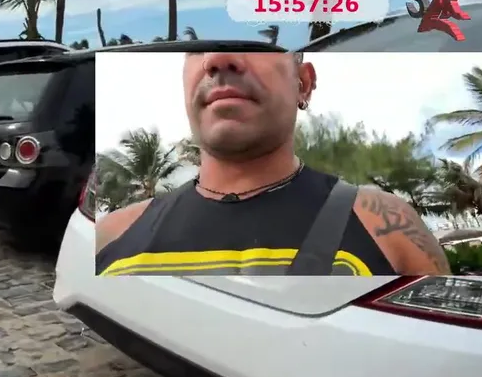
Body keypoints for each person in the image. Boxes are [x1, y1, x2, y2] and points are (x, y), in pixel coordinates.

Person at [95, 51, 450, 276]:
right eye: (197, 46)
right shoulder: (107, 236)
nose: (217, 58)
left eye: (258, 41)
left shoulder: (389, 228)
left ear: (303, 83)